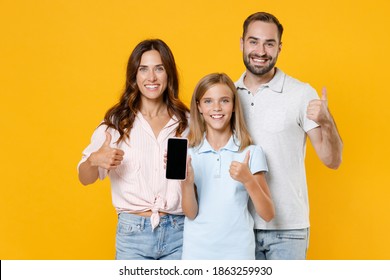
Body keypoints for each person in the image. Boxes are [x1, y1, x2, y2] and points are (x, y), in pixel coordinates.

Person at [235, 12, 343, 259]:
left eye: (269, 43)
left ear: (279, 48)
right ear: (241, 43)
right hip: (240, 226)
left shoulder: (301, 93)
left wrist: (327, 121)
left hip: (288, 230)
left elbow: (332, 160)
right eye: (253, 41)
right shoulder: (227, 95)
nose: (261, 51)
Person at [77, 39, 189, 260]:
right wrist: (94, 160)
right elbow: (84, 178)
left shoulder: (187, 122)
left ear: (169, 73)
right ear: (134, 76)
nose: (152, 77)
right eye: (143, 69)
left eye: (159, 68)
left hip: (181, 233)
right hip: (132, 235)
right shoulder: (116, 122)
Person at [181, 73, 275, 259]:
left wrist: (248, 179)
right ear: (199, 107)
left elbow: (268, 213)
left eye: (224, 101)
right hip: (197, 252)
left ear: (233, 106)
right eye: (208, 101)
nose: (216, 108)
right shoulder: (190, 154)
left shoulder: (250, 152)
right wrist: (186, 182)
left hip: (238, 252)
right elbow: (190, 213)